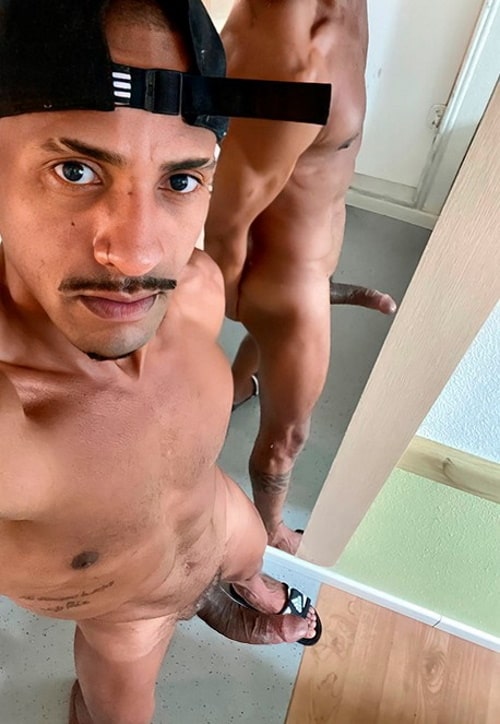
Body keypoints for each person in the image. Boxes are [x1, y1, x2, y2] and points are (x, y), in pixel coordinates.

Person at [0, 1, 325, 722]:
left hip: (218, 523)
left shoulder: (197, 291)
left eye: (180, 181)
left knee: (241, 545)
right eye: (75, 170)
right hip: (126, 613)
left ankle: (244, 585)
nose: (139, 255)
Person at [204, 0, 397, 555]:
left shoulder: (349, 10)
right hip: (287, 290)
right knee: (287, 439)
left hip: (302, 271)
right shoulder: (287, 46)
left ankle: (236, 387)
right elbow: (227, 218)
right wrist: (239, 298)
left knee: (266, 347)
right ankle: (269, 534)